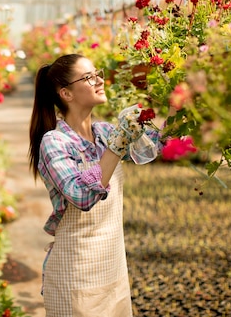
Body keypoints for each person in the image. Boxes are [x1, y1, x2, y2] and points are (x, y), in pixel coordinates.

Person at [28, 53, 154, 317]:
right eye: (88, 77)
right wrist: (117, 145)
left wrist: (180, 103)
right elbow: (82, 197)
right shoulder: (55, 143)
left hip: (113, 269)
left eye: (98, 74)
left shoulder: (104, 133)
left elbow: (157, 144)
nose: (99, 80)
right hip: (76, 275)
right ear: (67, 94)